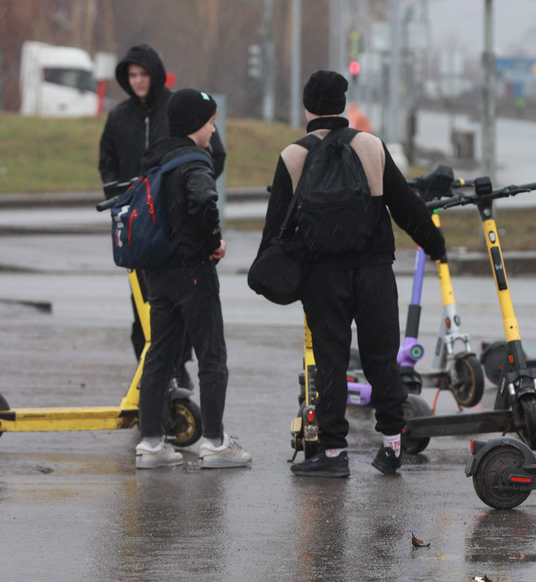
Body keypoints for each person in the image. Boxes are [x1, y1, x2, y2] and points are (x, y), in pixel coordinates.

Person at [258, 70, 445, 478]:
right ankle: (392, 446)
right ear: (343, 105)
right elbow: (406, 205)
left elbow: (276, 229)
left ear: (308, 107)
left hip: (323, 278)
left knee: (331, 362)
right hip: (374, 270)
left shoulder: (293, 156)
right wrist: (435, 245)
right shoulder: (371, 147)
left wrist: (265, 271)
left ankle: (332, 454)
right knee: (382, 359)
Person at [134, 89, 250, 469]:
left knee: (159, 357)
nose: (214, 130)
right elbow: (203, 202)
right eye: (210, 122)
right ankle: (215, 443)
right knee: (211, 356)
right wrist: (213, 241)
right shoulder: (195, 161)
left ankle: (151, 444)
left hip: (159, 273)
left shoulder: (159, 158)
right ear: (194, 126)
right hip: (193, 272)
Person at [98, 44, 226, 381]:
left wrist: (188, 186)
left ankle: (176, 367)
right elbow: (107, 162)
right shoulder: (118, 116)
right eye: (132, 75)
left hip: (175, 220)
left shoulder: (179, 109)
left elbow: (214, 153)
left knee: (181, 300)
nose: (138, 81)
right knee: (142, 300)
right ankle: (152, 369)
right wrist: (120, 193)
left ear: (156, 76)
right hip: (138, 222)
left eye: (144, 74)